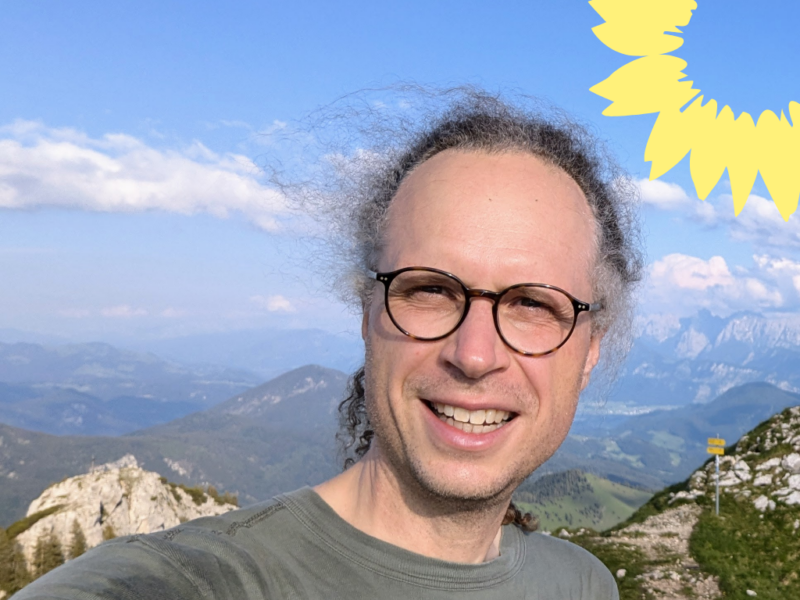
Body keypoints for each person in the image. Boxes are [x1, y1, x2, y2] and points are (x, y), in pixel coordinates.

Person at [15, 89, 642, 599]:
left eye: (533, 304)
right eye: (430, 289)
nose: (474, 354)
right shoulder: (194, 582)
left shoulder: (582, 585)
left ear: (590, 350)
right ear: (367, 311)